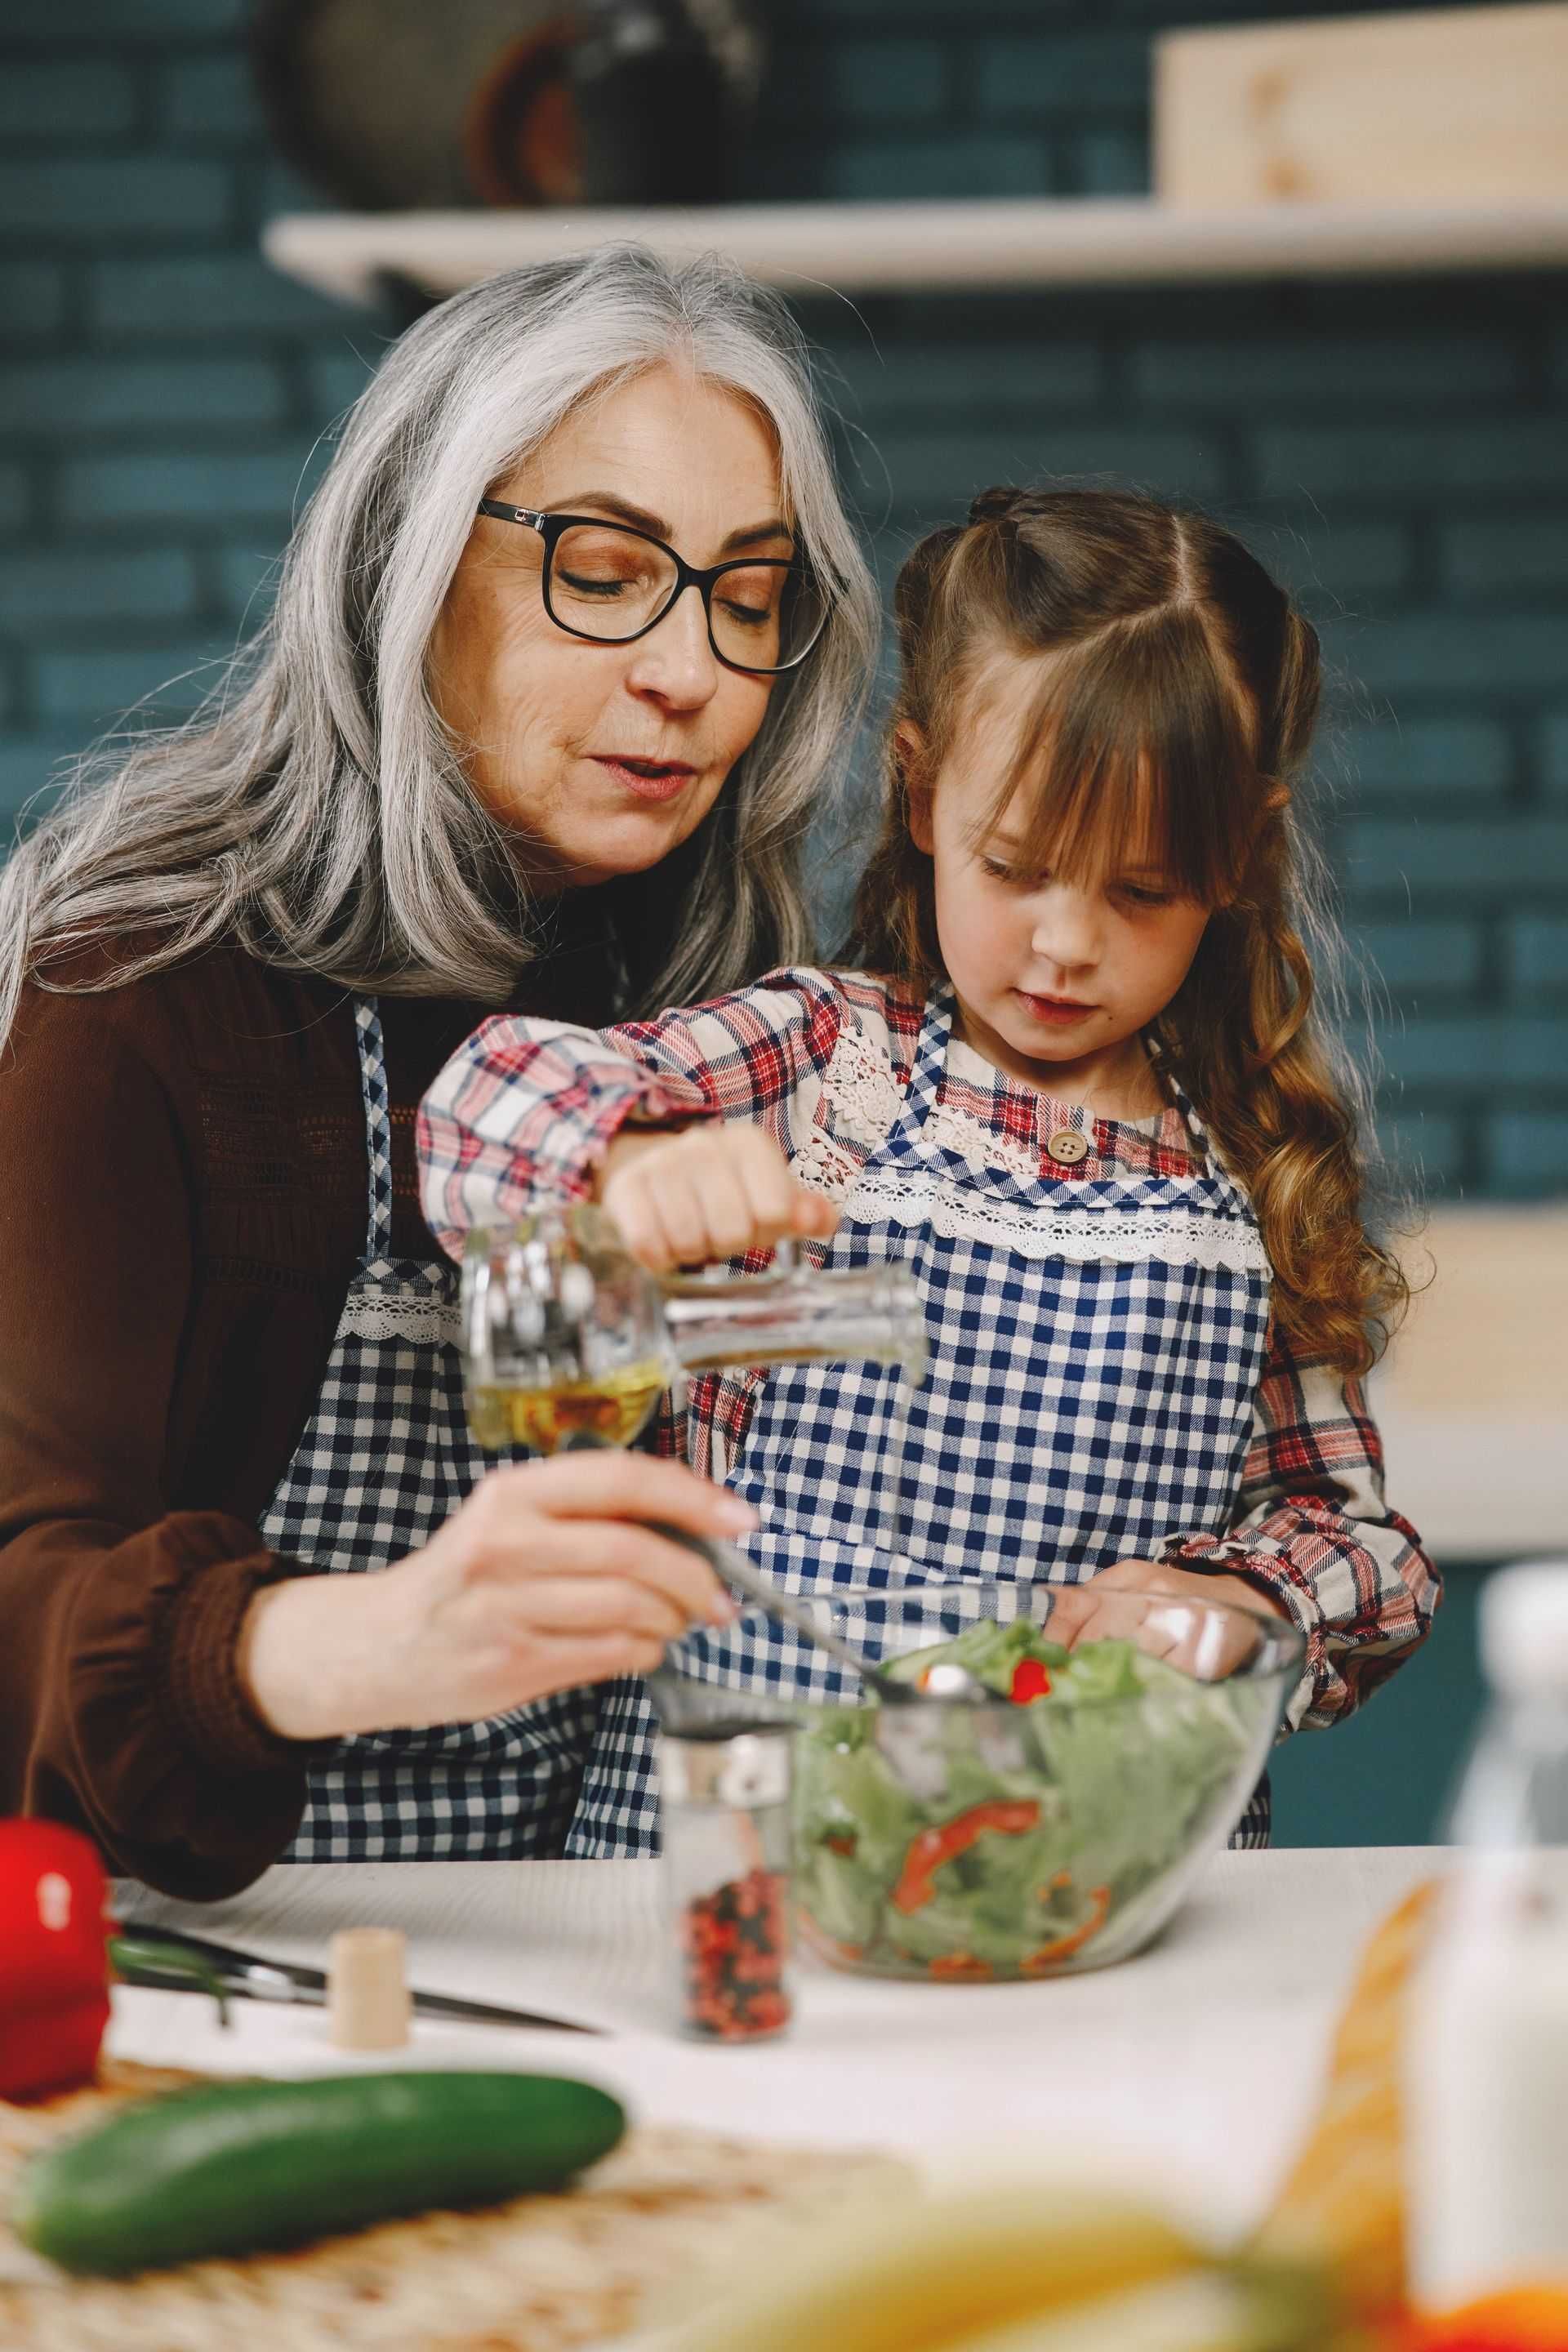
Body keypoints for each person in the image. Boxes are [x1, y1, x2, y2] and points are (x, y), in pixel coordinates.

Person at [0, 244, 880, 1895]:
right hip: (245, 1976)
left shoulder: (711, 1014)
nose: (687, 671)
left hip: (632, 1939)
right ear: (408, 566)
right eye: (606, 570)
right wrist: (374, 1643)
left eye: (747, 599)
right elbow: (19, 1605)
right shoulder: (144, 993)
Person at [420, 484, 1441, 1856]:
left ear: (1238, 863)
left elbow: (1359, 1544)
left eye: (1141, 891)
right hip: (744, 1856)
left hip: (1087, 1872)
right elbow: (486, 1097)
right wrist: (627, 1159)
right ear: (919, 792)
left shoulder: (1251, 1170)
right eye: (1015, 867)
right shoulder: (825, 1057)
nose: (1066, 945)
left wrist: (1249, 1609)